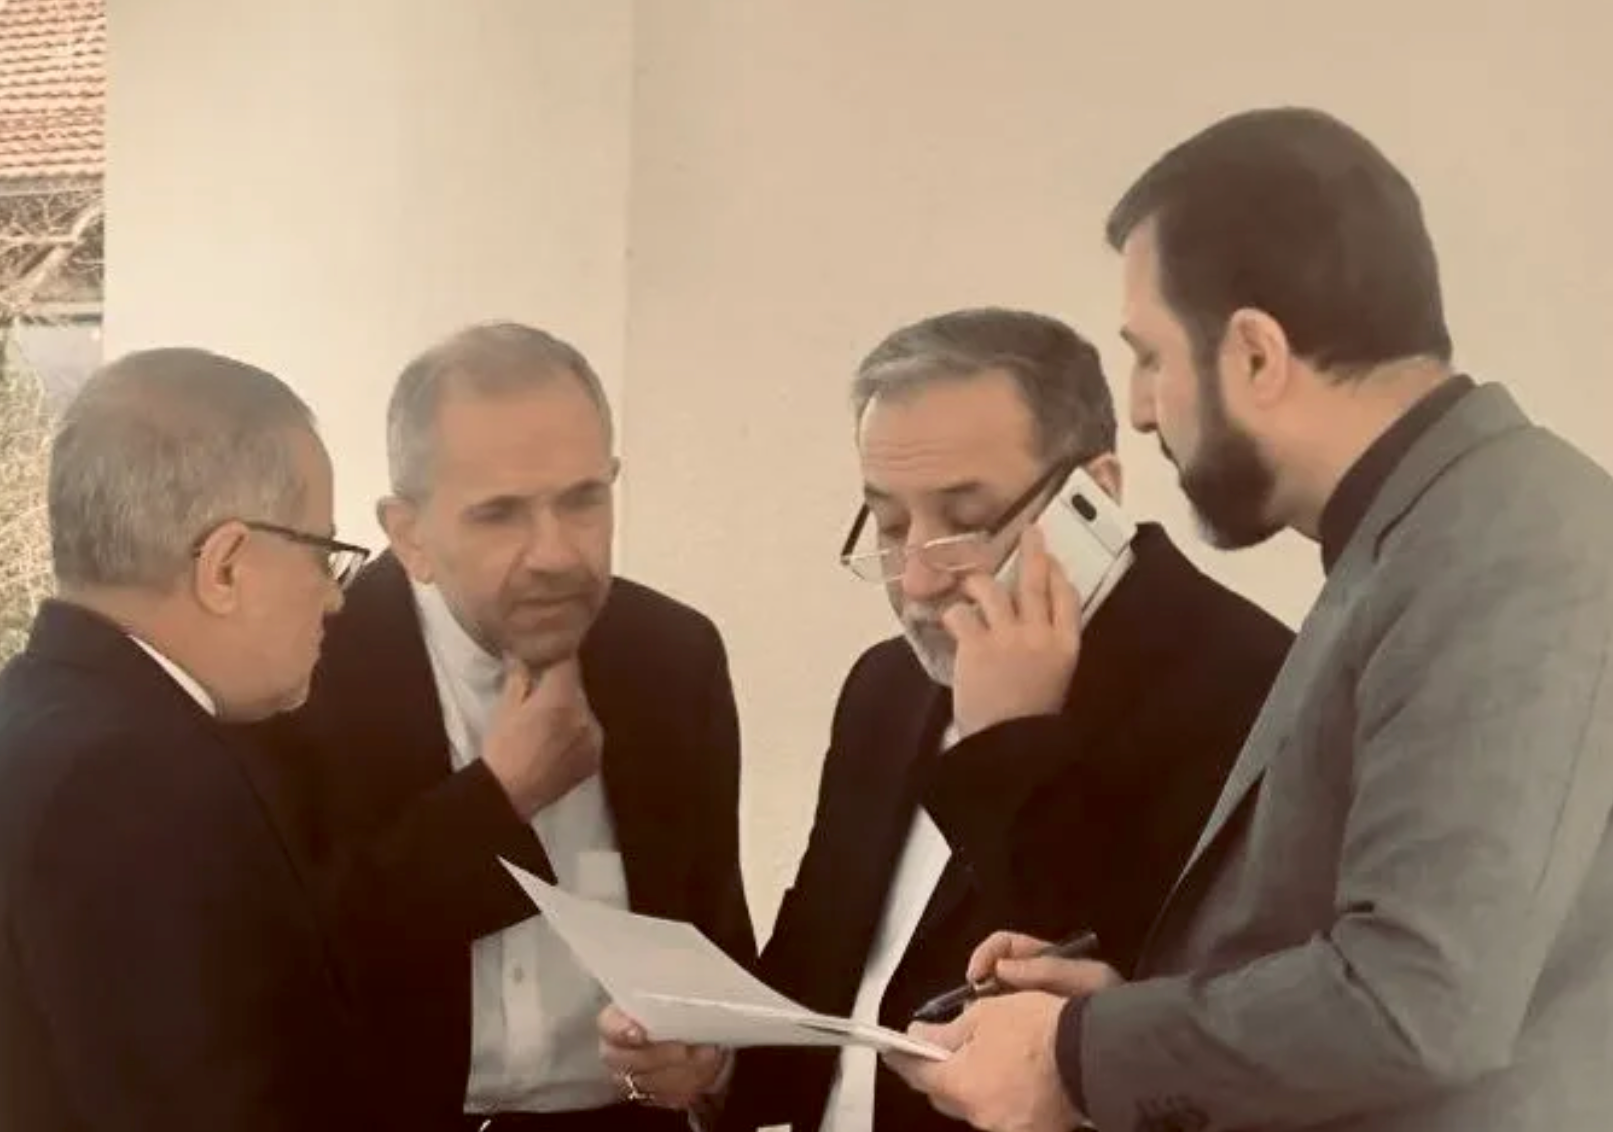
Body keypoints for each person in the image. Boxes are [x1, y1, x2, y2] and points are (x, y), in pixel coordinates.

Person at [889, 108, 1613, 1132]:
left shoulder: (1510, 542)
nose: (1143, 408)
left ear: (1255, 355)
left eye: (1150, 357)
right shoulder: (1422, 532)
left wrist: (1077, 1056)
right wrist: (1120, 1015)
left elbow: (1419, 1003)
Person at [605, 307, 1291, 1132]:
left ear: (1096, 495)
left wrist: (1011, 749)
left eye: (964, 523)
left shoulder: (1255, 691)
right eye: (891, 524)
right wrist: (717, 1065)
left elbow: (1153, 1041)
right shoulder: (886, 685)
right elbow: (823, 989)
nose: (918, 581)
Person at [247, 322, 754, 1132]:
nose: (555, 553)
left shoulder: (673, 657)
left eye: (583, 500)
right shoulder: (306, 668)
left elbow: (718, 942)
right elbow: (283, 964)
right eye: (500, 515)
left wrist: (708, 1062)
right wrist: (497, 801)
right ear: (409, 534)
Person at [0, 349, 377, 1132]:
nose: (332, 599)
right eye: (321, 554)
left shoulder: (6, 731)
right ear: (225, 567)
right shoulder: (135, 783)